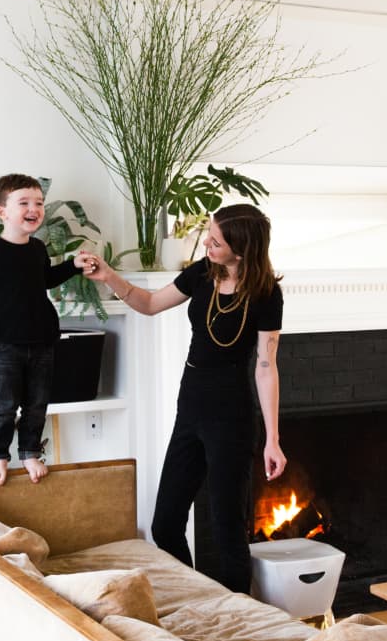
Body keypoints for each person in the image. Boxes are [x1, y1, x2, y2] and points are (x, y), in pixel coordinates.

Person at [85, 204, 286, 593]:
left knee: (227, 528)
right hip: (190, 406)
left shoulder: (265, 294)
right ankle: (195, 598)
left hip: (232, 414)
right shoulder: (200, 273)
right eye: (209, 234)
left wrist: (272, 440)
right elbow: (148, 304)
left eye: (216, 241)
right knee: (166, 524)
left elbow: (266, 366)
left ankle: (236, 617)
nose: (207, 243)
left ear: (242, 249)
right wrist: (108, 275)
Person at [0, 174, 94, 486]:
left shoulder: (37, 248)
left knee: (37, 403)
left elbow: (44, 279)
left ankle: (30, 450)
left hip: (43, 340)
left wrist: (72, 265)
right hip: (6, 342)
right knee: (5, 404)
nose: (34, 208)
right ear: (2, 212)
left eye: (39, 203)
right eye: (24, 203)